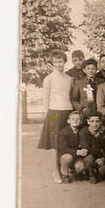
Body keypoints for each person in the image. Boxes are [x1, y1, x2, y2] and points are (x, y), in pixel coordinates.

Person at [37, 50, 75, 184]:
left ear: (65, 62)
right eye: (56, 62)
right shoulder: (49, 78)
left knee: (66, 141)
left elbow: (69, 96)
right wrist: (47, 114)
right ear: (52, 63)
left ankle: (65, 170)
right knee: (55, 143)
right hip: (54, 113)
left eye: (61, 61)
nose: (59, 64)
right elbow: (45, 98)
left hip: (67, 111)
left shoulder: (69, 78)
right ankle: (56, 171)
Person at [79, 114, 105, 183]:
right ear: (88, 122)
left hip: (101, 156)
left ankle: (98, 172)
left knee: (104, 171)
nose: (95, 124)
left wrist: (103, 158)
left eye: (97, 121)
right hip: (89, 155)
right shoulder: (83, 132)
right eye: (92, 121)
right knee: (89, 159)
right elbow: (85, 147)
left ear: (101, 122)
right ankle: (91, 175)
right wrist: (100, 152)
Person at [58, 110, 86, 183]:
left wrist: (83, 150)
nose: (75, 121)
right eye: (73, 119)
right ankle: (65, 175)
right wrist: (77, 151)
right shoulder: (64, 132)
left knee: (80, 167)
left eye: (78, 119)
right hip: (68, 154)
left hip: (77, 156)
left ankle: (76, 172)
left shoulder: (82, 131)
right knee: (67, 158)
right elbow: (63, 149)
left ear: (81, 121)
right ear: (68, 121)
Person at [70, 58, 101, 122]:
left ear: (96, 70)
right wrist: (81, 109)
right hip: (85, 113)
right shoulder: (79, 82)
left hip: (98, 113)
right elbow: (74, 99)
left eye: (93, 69)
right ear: (84, 70)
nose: (90, 71)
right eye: (88, 69)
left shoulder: (101, 82)